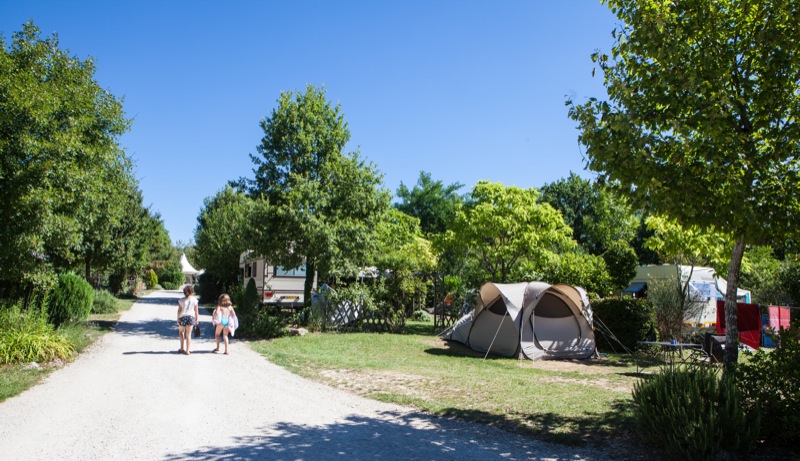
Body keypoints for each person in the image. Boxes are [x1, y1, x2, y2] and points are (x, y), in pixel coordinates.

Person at [176, 285, 199, 355]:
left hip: (182, 317)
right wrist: (197, 319)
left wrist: (178, 319)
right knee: (188, 334)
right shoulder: (195, 300)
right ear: (192, 292)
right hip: (191, 317)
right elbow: (196, 311)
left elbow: (179, 311)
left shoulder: (181, 300)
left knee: (181, 332)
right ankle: (187, 350)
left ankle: (182, 348)